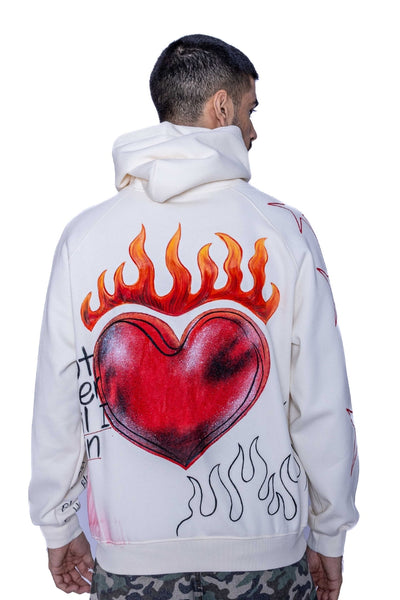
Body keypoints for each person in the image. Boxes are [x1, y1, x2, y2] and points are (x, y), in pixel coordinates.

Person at [29, 34, 359, 600]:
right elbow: (322, 402)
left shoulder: (83, 238)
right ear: (221, 107)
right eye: (251, 110)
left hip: (129, 556)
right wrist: (329, 532)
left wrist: (57, 522)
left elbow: (61, 397)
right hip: (268, 557)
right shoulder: (285, 231)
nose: (254, 131)